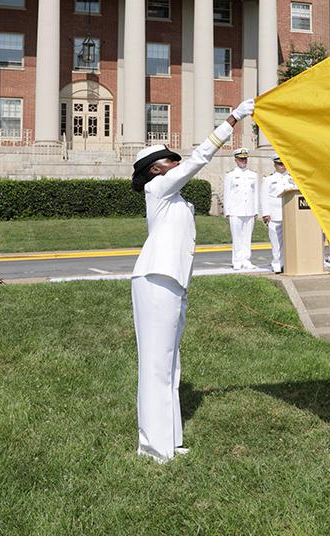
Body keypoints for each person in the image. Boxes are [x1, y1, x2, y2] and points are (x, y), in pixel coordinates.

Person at [129, 98, 254, 463]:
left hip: (172, 283)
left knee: (170, 363)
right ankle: (152, 447)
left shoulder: (173, 195)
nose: (177, 161)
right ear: (155, 170)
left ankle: (169, 441)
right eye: (170, 159)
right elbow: (199, 158)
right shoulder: (158, 189)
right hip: (155, 280)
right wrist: (232, 119)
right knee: (155, 364)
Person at [223, 147, 259, 270]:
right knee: (237, 237)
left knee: (247, 237)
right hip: (235, 210)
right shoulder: (231, 175)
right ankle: (237, 261)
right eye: (240, 159)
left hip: (249, 210)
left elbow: (255, 194)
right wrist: (227, 211)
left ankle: (246, 260)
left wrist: (256, 210)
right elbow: (227, 193)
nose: (243, 161)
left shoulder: (253, 175)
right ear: (236, 160)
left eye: (245, 159)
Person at [259, 155, 297, 273]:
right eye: (280, 164)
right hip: (275, 215)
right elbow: (264, 197)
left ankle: (287, 263)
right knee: (276, 242)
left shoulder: (292, 178)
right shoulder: (269, 179)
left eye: (284, 163)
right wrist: (265, 213)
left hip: (290, 214)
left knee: (289, 241)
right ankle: (277, 263)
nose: (282, 166)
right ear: (275, 165)